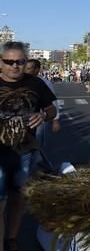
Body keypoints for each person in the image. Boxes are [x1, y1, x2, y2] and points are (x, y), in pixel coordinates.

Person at [0, 42, 57, 251]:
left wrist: (43, 115)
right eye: (9, 62)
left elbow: (52, 110)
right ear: (0, 62)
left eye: (20, 62)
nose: (15, 66)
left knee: (18, 197)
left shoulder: (36, 84)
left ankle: (11, 239)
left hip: (25, 151)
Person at [24, 59, 62, 136]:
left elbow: (53, 103)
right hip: (23, 120)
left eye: (28, 69)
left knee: (36, 143)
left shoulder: (44, 83)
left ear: (37, 70)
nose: (26, 71)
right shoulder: (22, 81)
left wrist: (55, 120)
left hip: (39, 120)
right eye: (25, 68)